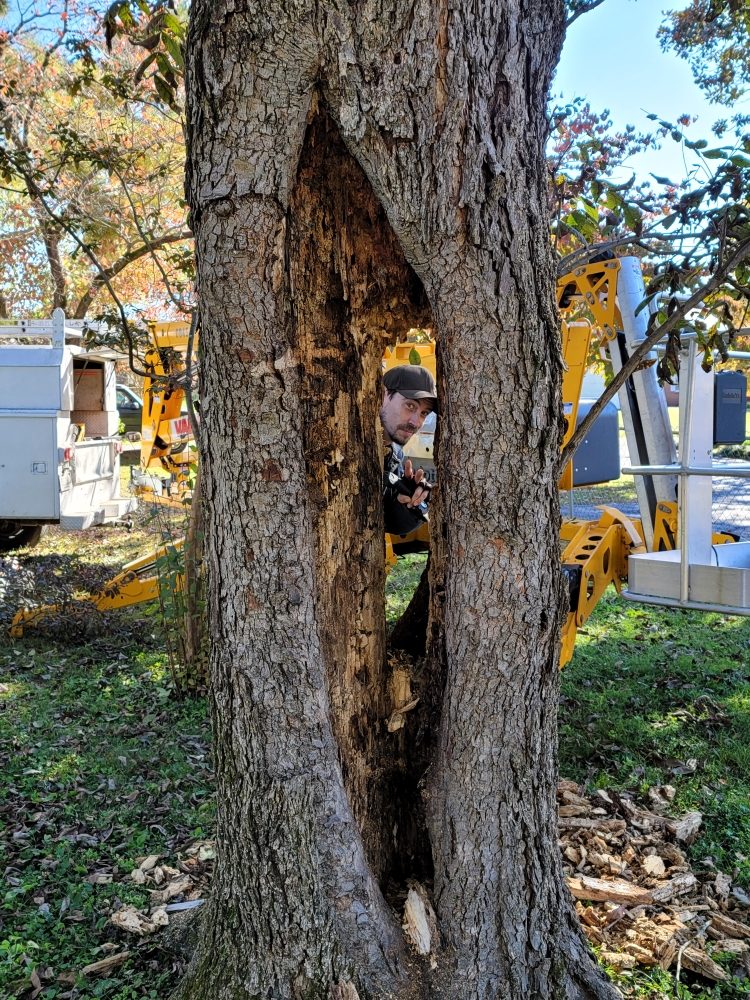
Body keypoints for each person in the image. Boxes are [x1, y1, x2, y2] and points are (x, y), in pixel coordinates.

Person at [380, 364, 437, 535]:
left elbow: (387, 523)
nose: (416, 422)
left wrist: (409, 503)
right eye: (410, 406)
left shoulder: (395, 455)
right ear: (383, 395)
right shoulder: (342, 438)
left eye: (423, 413)